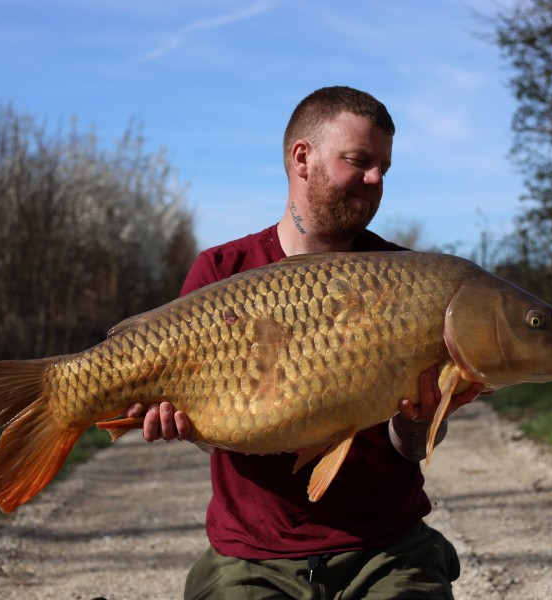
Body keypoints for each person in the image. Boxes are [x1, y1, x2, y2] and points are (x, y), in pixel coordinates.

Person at [125, 86, 482, 599]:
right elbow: (213, 425)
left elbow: (411, 447)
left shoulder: (409, 279)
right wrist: (180, 425)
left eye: (384, 166)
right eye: (360, 160)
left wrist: (420, 423)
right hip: (254, 550)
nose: (376, 179)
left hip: (385, 544)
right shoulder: (221, 271)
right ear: (302, 158)